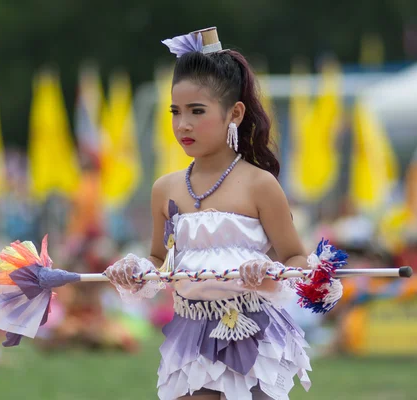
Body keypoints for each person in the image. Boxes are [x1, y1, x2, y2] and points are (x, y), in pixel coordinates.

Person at [105, 27, 340, 400]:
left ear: (235, 113)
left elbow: (295, 257)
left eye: (197, 111)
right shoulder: (164, 189)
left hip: (254, 331)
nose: (183, 124)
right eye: (176, 112)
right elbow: (158, 258)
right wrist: (135, 271)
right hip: (189, 333)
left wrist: (268, 270)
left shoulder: (260, 184)